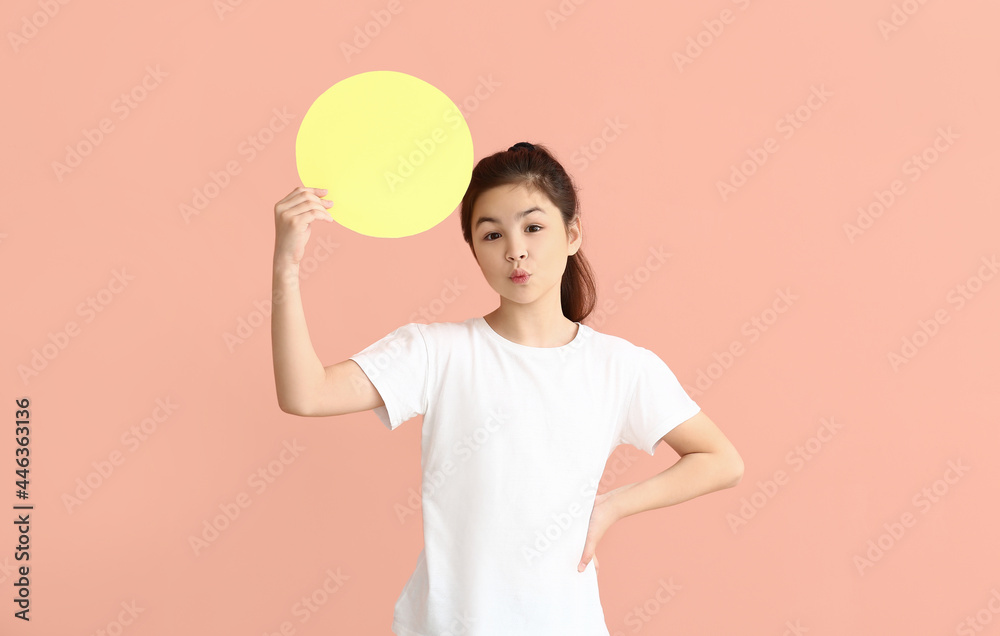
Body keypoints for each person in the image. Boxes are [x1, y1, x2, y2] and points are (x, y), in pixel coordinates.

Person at [270, 141, 744, 636]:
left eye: (533, 227)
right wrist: (286, 266)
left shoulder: (619, 367)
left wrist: (612, 506)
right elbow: (306, 393)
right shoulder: (437, 352)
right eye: (492, 234)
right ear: (474, 251)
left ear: (573, 233)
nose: (515, 249)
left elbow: (721, 460)